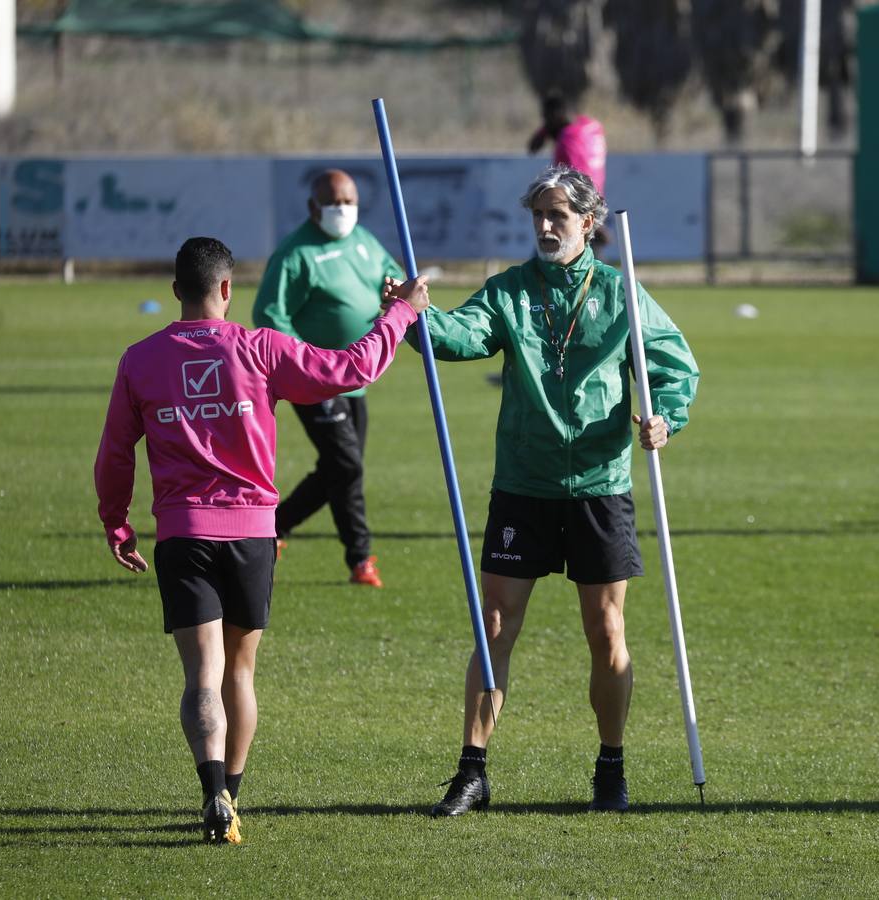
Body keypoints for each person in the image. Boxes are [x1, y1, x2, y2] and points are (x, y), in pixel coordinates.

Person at [383, 165, 698, 816]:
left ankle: (610, 770)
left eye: (558, 215)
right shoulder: (510, 292)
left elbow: (673, 367)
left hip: (599, 485)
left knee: (605, 629)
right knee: (494, 621)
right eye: (538, 217)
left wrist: (664, 415)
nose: (546, 227)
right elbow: (462, 335)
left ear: (590, 222)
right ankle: (473, 770)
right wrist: (413, 316)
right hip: (523, 483)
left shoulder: (622, 294)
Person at [95, 237, 426, 843]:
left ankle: (210, 789)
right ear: (228, 288)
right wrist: (401, 313)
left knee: (201, 678)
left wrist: (117, 522)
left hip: (182, 534)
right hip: (251, 535)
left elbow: (115, 450)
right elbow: (349, 370)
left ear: (175, 292)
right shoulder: (260, 349)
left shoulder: (139, 358)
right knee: (239, 675)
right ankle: (233, 799)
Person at [253, 169, 405, 588]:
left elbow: (391, 279)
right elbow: (269, 316)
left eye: (349, 201)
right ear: (313, 207)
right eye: (334, 202)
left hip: (357, 377)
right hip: (312, 380)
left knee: (341, 469)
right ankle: (360, 559)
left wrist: (397, 292)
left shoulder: (364, 241)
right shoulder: (295, 253)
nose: (343, 209)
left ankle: (273, 528)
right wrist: (306, 363)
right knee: (347, 466)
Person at [528, 93, 608, 248]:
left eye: (546, 119)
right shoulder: (591, 126)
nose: (545, 123)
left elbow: (579, 180)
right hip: (593, 203)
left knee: (553, 257)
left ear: (555, 117)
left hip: (578, 210)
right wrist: (544, 132)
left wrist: (593, 217)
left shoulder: (568, 141)